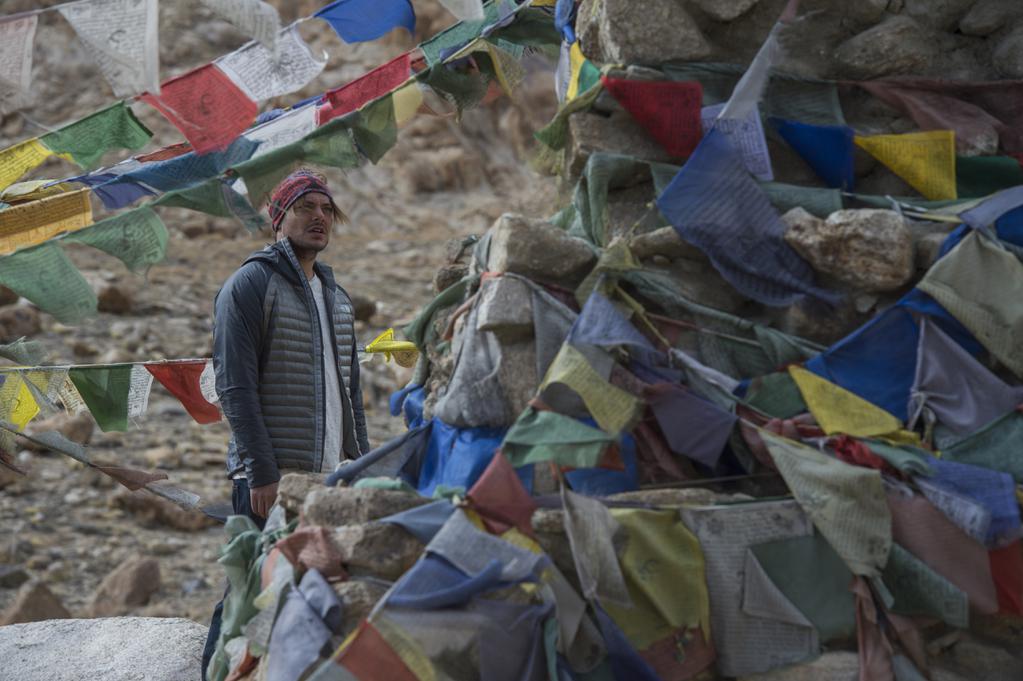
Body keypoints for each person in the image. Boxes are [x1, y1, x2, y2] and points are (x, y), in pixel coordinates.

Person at [201, 168, 370, 679]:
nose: (320, 217)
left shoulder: (337, 298)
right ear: (279, 218)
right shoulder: (251, 284)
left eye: (326, 209)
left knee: (309, 595)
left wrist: (360, 466)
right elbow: (235, 386)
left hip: (327, 478)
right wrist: (261, 472)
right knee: (250, 593)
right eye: (305, 207)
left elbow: (350, 393)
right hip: (270, 479)